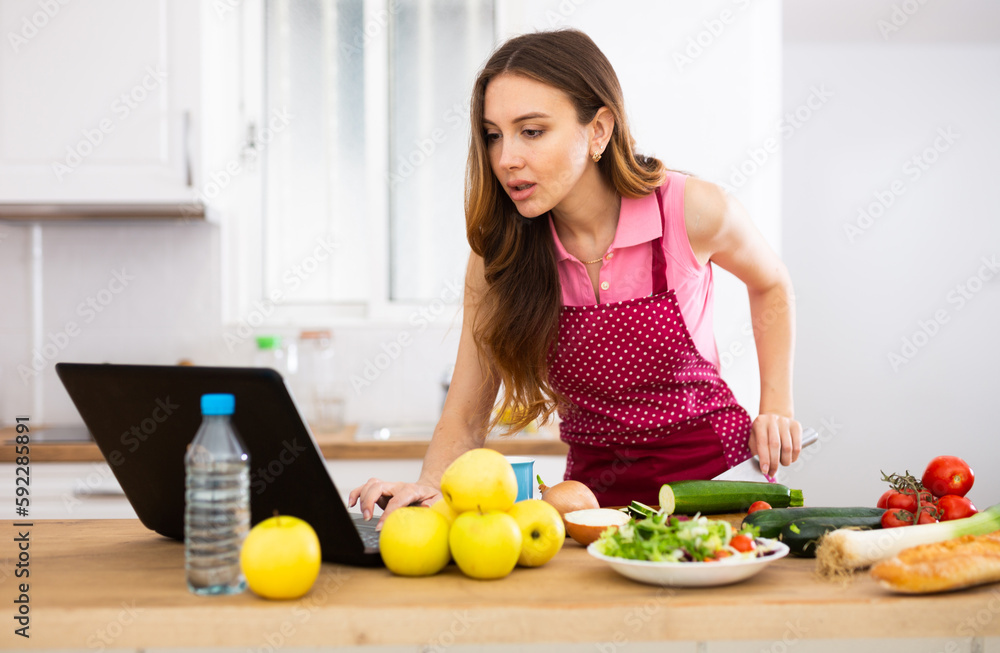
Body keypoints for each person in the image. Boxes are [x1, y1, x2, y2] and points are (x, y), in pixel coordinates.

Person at [350, 28, 801, 524]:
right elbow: (465, 411)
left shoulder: (689, 209)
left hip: (719, 489)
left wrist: (775, 403)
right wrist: (428, 488)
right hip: (591, 506)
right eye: (494, 135)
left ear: (599, 130)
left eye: (532, 131)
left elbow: (771, 282)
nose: (506, 159)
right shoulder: (499, 256)